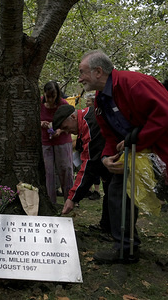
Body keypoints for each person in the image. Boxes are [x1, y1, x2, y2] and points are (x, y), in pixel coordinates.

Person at [78, 49, 168, 292]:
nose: (80, 78)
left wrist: (135, 139)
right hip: (136, 158)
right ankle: (125, 248)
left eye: (82, 73)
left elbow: (166, 113)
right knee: (117, 193)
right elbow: (108, 136)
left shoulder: (135, 83)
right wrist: (107, 158)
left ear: (98, 71)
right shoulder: (100, 101)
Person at [52, 104, 111, 233]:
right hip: (108, 165)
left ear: (73, 117)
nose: (67, 132)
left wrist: (73, 198)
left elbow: (89, 166)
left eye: (66, 128)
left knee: (115, 194)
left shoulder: (90, 125)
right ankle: (107, 226)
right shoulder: (86, 118)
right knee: (110, 193)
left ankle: (120, 237)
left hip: (118, 162)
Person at [40, 81, 73, 205]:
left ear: (57, 95)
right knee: (48, 172)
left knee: (65, 169)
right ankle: (50, 202)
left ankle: (69, 200)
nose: (50, 100)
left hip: (62, 141)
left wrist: (60, 130)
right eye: (48, 96)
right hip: (46, 142)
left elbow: (70, 123)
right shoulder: (40, 103)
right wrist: (41, 123)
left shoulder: (63, 104)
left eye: (53, 97)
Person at [84, 92, 101, 200]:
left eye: (88, 101)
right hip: (88, 144)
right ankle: (88, 189)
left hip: (97, 144)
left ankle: (97, 191)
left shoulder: (98, 113)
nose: (86, 103)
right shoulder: (86, 114)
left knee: (96, 169)